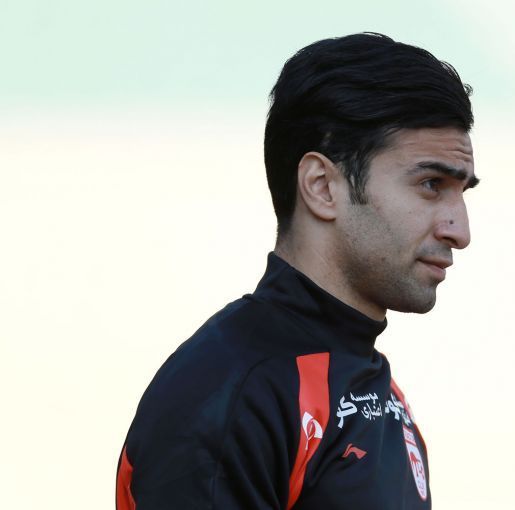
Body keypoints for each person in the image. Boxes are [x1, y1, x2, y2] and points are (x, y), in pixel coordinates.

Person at [116, 32, 478, 509]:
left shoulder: (377, 390)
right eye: (431, 184)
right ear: (322, 187)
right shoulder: (237, 390)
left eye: (461, 192)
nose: (460, 231)